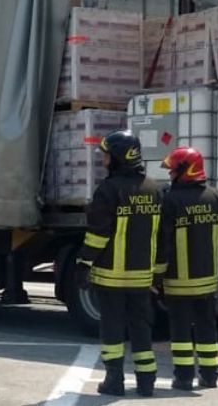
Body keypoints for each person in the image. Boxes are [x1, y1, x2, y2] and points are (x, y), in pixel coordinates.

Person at [74, 130, 165, 397]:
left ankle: (114, 381)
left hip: (111, 277)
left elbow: (97, 235)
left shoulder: (108, 190)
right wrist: (158, 274)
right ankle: (146, 382)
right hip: (142, 277)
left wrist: (83, 264)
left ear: (118, 158)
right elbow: (162, 236)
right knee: (141, 329)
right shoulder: (154, 189)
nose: (103, 160)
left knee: (112, 330)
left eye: (105, 156)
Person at [156, 146, 218, 390]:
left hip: (178, 282)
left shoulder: (170, 201)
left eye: (173, 170)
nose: (170, 174)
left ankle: (183, 378)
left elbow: (162, 242)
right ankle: (210, 375)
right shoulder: (217, 197)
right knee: (207, 328)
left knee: (181, 331)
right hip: (207, 280)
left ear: (185, 170)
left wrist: (157, 276)